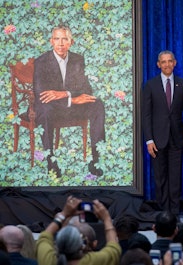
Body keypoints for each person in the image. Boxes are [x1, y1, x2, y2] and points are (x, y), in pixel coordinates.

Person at [33, 25, 105, 178]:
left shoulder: (78, 59)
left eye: (65, 39)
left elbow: (85, 89)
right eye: (57, 39)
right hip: (50, 107)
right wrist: (72, 99)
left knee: (97, 104)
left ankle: (95, 160)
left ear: (71, 42)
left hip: (70, 105)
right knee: (45, 110)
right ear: (51, 41)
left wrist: (64, 94)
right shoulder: (41, 61)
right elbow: (42, 94)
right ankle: (51, 162)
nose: (60, 43)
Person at [142, 50, 183, 214]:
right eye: (163, 62)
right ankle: (163, 213)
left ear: (175, 63)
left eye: (170, 61)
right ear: (158, 64)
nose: (167, 64)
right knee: (160, 177)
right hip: (157, 140)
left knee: (175, 177)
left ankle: (175, 213)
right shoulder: (150, 85)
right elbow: (146, 114)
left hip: (177, 138)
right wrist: (149, 140)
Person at [35, 195, 121, 265]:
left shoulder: (48, 260)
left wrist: (64, 214)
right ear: (81, 245)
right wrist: (106, 218)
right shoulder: (95, 261)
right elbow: (114, 248)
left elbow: (44, 237)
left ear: (58, 243)